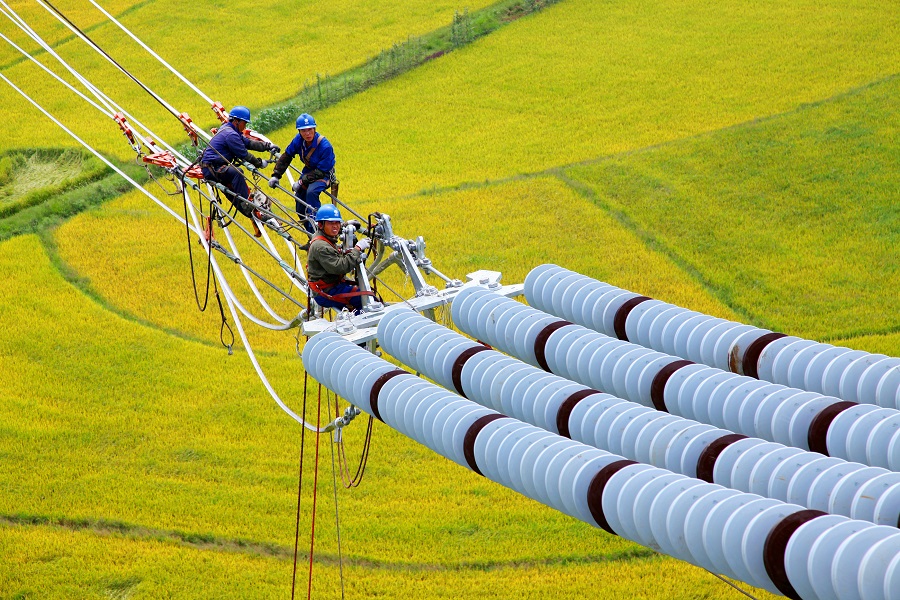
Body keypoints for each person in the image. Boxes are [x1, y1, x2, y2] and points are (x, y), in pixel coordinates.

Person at [200, 105, 278, 236]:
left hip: (216, 167)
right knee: (237, 173)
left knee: (232, 184)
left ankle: (248, 207)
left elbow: (248, 143)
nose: (245, 126)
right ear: (236, 121)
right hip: (213, 169)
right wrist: (259, 163)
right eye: (244, 123)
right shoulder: (231, 135)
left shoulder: (229, 129)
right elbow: (244, 154)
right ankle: (247, 203)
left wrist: (267, 146)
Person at [268, 113, 335, 233]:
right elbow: (287, 156)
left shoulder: (325, 146)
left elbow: (320, 171)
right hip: (309, 171)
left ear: (314, 129)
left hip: (324, 173)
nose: (307, 133)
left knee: (311, 192)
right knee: (299, 200)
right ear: (299, 131)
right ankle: (311, 234)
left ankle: (319, 228)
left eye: (310, 130)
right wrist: (276, 175)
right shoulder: (298, 140)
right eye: (303, 131)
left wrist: (301, 181)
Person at [306, 204, 372, 312]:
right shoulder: (320, 246)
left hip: (332, 285)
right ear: (321, 225)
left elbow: (334, 232)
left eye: (337, 222)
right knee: (366, 299)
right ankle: (358, 325)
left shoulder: (322, 235)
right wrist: (357, 249)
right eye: (331, 223)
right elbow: (340, 267)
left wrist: (346, 225)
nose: (335, 226)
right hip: (327, 291)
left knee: (363, 295)